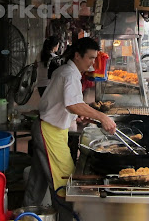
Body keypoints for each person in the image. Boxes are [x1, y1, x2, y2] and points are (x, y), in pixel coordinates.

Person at [24, 37, 116, 216]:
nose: (92, 63)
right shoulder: (69, 74)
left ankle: (27, 216)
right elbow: (72, 104)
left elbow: (64, 103)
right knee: (64, 182)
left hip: (49, 128)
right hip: (49, 132)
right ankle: (65, 217)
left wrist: (79, 115)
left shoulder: (66, 71)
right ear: (77, 55)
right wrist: (101, 116)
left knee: (39, 179)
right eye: (90, 58)